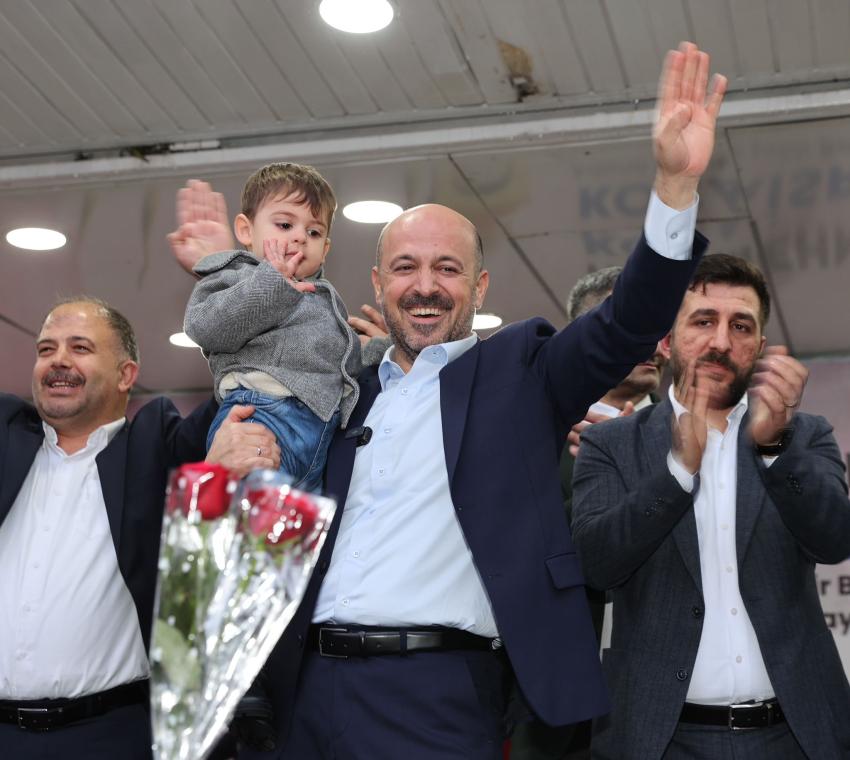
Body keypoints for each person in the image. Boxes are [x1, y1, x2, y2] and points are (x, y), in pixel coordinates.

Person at [220, 41, 726, 760]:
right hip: (305, 694)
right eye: (405, 267)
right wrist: (221, 456)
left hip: (440, 695)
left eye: (448, 268)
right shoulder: (335, 389)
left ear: (480, 288)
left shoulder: (521, 375)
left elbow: (627, 323)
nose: (425, 285)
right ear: (378, 284)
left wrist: (675, 186)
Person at [570, 253, 850, 759]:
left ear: (759, 348)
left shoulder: (805, 435)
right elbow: (596, 566)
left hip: (795, 735)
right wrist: (677, 471)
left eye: (740, 326)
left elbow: (834, 541)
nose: (721, 342)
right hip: (661, 739)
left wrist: (776, 448)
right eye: (703, 321)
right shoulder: (610, 443)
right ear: (666, 340)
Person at [0, 297, 278, 759]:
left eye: (80, 347)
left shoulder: (155, 451)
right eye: (46, 349)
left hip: (111, 735)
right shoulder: (7, 440)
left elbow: (254, 371)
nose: (58, 360)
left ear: (126, 375)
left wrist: (243, 277)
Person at [511, 266, 668, 760]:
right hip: (555, 708)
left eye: (657, 327)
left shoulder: (695, 439)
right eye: (630, 325)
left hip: (671, 699)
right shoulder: (526, 430)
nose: (650, 342)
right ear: (586, 339)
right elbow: (516, 553)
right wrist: (600, 476)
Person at [182, 161, 377, 494]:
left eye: (314, 232)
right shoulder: (234, 276)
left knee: (300, 527)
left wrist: (382, 350)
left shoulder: (323, 299)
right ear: (246, 231)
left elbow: (342, 363)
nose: (300, 236)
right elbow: (205, 326)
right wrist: (271, 283)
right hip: (262, 417)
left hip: (319, 434)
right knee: (244, 517)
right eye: (285, 224)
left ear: (325, 249)